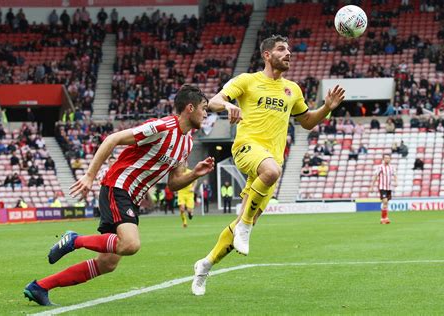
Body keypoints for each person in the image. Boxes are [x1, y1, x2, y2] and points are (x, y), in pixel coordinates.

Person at [24, 85, 214, 306]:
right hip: (118, 186)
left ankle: (40, 287)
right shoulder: (161, 127)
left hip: (131, 196)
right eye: (204, 108)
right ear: (190, 108)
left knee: (107, 264)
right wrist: (89, 176)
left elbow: (173, 183)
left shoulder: (187, 143)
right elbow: (112, 139)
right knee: (130, 244)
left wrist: (194, 174)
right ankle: (74, 240)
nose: (206, 114)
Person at [191, 35, 345, 296]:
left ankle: (204, 266)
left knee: (243, 217)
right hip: (247, 148)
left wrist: (326, 108)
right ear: (266, 55)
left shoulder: (292, 89)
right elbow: (214, 100)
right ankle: (246, 227)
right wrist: (228, 105)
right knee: (270, 174)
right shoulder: (247, 81)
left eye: (289, 49)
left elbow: (306, 121)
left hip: (272, 158)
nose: (288, 54)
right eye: (281, 49)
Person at [371, 154, 397, 224]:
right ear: (383, 159)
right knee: (385, 201)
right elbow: (375, 176)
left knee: (386, 203)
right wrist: (372, 186)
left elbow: (395, 175)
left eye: (388, 158)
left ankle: (384, 218)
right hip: (382, 187)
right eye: (385, 158)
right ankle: (384, 218)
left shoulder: (392, 167)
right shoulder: (380, 167)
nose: (387, 159)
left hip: (389, 187)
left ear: (390, 159)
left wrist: (396, 182)